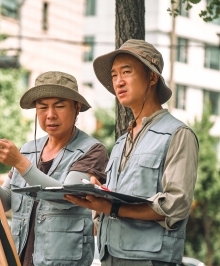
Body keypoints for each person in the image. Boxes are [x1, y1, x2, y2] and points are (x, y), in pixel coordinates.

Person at [64, 39, 199, 266]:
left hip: (148, 260)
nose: (118, 82)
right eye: (114, 75)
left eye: (126, 72)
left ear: (152, 77)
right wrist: (99, 194)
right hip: (110, 257)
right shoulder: (121, 142)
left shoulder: (178, 134)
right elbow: (120, 196)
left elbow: (175, 206)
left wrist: (112, 207)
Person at [0, 71, 109, 266]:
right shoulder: (27, 150)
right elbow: (5, 203)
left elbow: (66, 198)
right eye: (42, 107)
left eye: (60, 106)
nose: (50, 115)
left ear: (77, 107)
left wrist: (20, 163)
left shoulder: (93, 150)